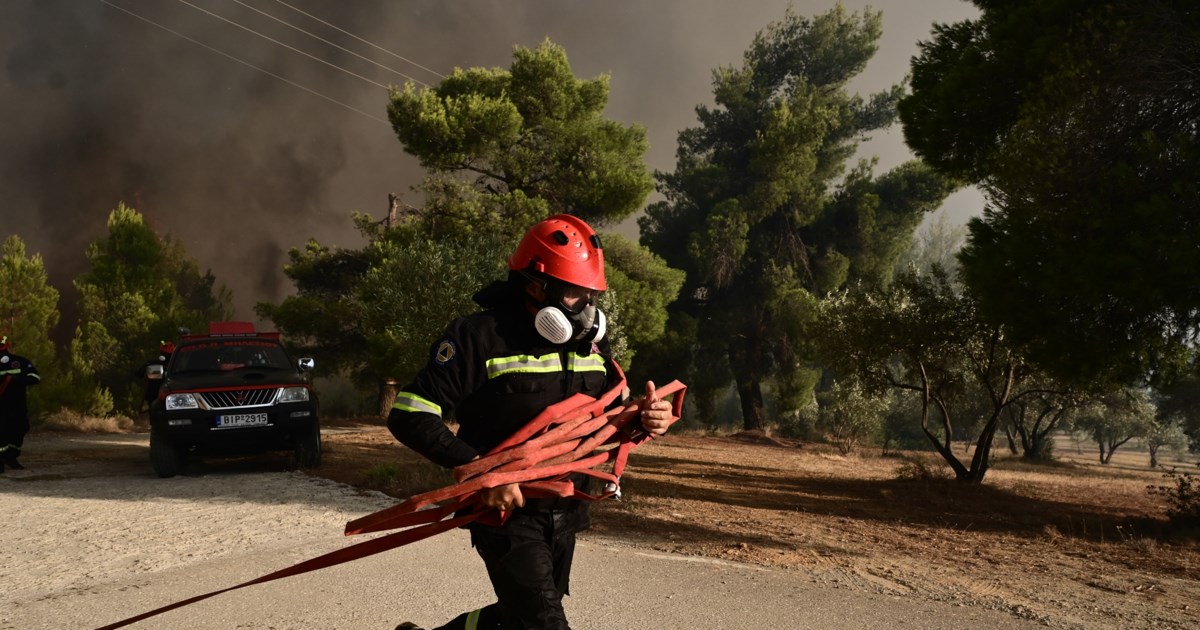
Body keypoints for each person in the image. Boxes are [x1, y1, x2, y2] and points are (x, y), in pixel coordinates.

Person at [387, 214, 674, 630]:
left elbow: (609, 415)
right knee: (543, 624)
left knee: (516, 618)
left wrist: (647, 419)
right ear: (536, 286)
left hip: (566, 508)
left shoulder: (592, 343)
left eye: (591, 296)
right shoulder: (477, 337)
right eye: (575, 295)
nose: (588, 310)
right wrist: (484, 474)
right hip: (505, 513)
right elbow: (410, 415)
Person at [0, 335, 41, 472]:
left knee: (18, 430)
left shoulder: (19, 362)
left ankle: (11, 458)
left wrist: (15, 379)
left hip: (17, 406)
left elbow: (35, 378)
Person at [133, 341, 174, 412]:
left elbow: (138, 374)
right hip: (166, 396)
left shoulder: (151, 364)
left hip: (157, 396)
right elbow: (139, 373)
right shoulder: (175, 366)